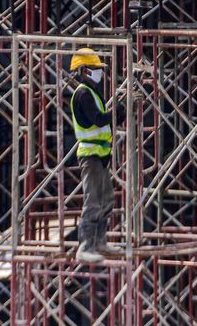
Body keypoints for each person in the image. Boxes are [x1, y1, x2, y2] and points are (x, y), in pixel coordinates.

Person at [68, 47, 120, 263]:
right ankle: (86, 246)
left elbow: (102, 121)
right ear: (83, 70)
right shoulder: (82, 94)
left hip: (99, 154)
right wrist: (119, 111)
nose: (98, 72)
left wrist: (120, 112)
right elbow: (98, 119)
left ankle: (99, 242)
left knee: (106, 198)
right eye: (94, 69)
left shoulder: (91, 93)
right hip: (90, 155)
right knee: (93, 201)